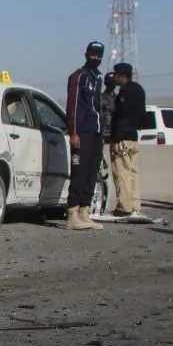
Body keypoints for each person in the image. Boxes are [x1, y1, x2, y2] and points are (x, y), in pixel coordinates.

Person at [63, 41, 107, 230]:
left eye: (99, 55)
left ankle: (84, 211)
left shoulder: (97, 78)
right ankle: (72, 214)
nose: (95, 58)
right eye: (93, 54)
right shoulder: (78, 77)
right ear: (86, 54)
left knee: (91, 172)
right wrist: (73, 132)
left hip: (96, 131)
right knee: (79, 172)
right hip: (82, 132)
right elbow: (72, 105)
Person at [106, 62, 147, 218]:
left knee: (121, 172)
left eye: (116, 74)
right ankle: (135, 205)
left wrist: (115, 137)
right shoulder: (139, 89)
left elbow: (121, 116)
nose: (114, 77)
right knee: (133, 173)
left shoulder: (125, 91)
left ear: (121, 76)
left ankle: (125, 207)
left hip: (122, 138)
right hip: (133, 138)